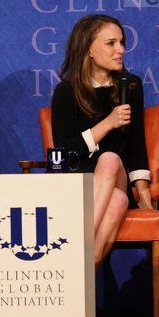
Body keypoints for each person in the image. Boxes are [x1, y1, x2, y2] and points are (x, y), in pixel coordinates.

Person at [51, 14, 150, 268]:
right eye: (111, 43)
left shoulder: (131, 86)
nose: (121, 50)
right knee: (117, 201)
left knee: (109, 159)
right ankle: (81, 275)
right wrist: (107, 124)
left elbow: (137, 145)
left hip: (116, 174)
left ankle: (75, 243)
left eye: (122, 42)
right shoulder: (67, 91)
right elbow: (63, 152)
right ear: (89, 49)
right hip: (80, 183)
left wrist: (145, 198)